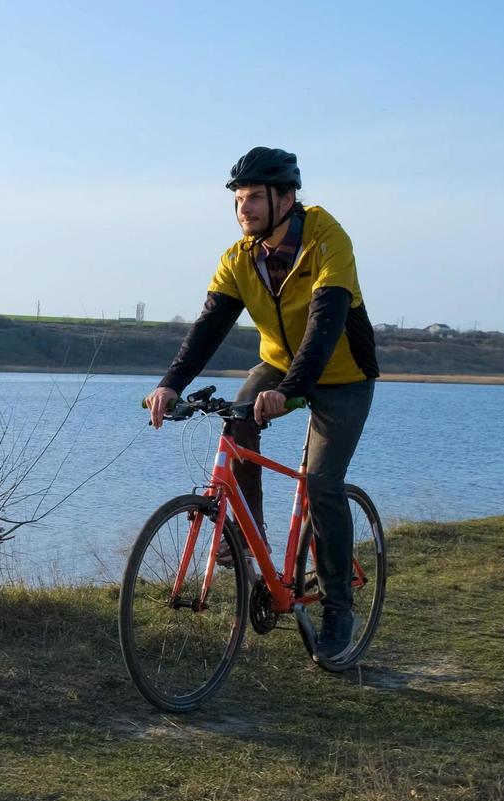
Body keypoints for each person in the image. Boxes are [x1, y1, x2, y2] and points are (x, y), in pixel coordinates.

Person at [143, 147, 378, 662]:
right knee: (237, 416)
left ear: (286, 198)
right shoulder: (239, 257)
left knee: (321, 483)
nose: (243, 209)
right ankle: (253, 542)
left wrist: (292, 390)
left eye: (253, 198)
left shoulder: (325, 236)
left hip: (342, 375)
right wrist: (170, 384)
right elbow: (208, 328)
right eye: (238, 199)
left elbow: (326, 320)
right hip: (277, 366)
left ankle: (338, 606)